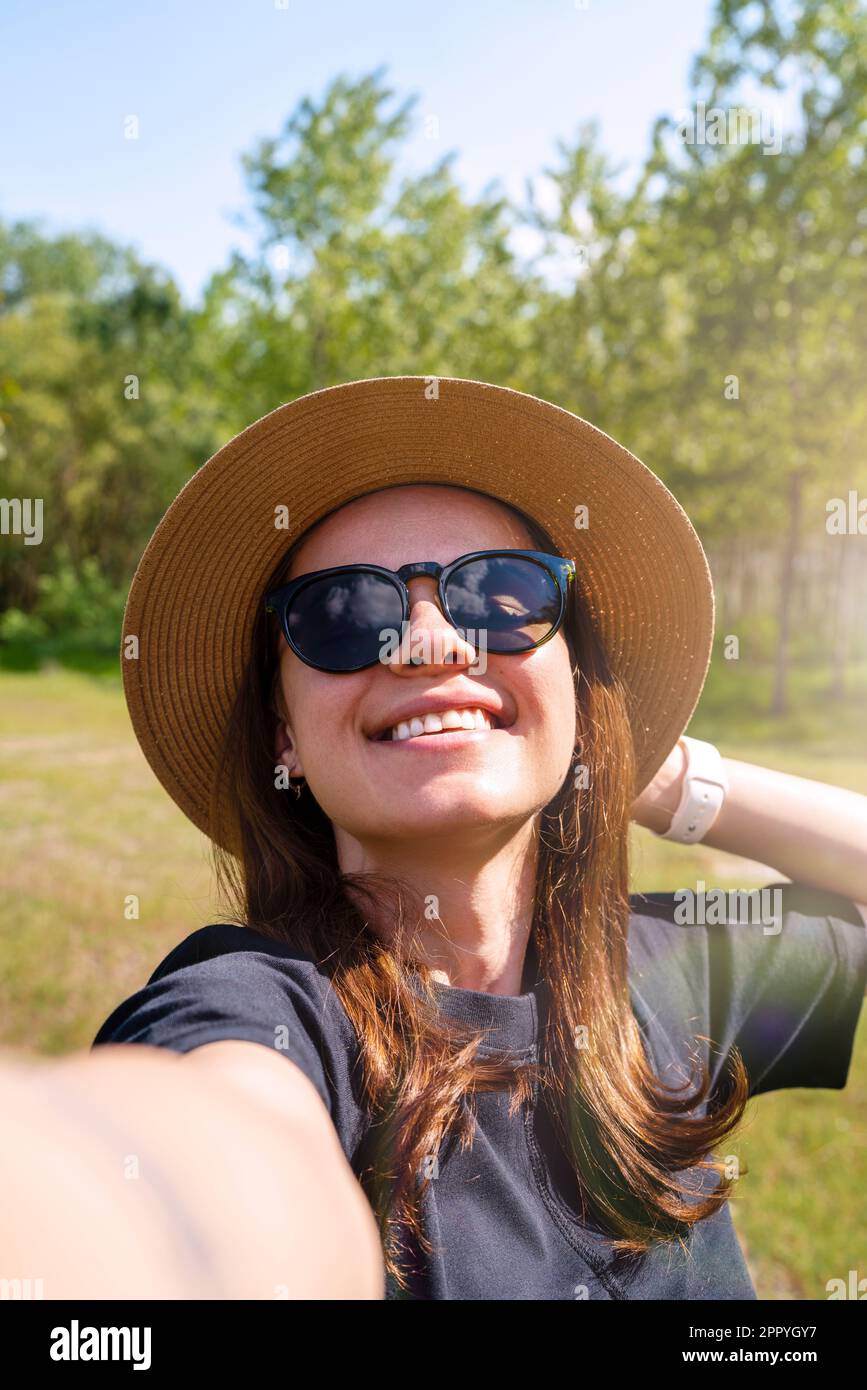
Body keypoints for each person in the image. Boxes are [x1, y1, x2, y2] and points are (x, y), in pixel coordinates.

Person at [5, 376, 866, 1300]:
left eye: (500, 596)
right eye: (344, 613)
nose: (428, 644)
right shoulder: (265, 1014)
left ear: (575, 676)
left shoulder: (665, 969)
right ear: (283, 736)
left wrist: (653, 776)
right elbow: (199, 1172)